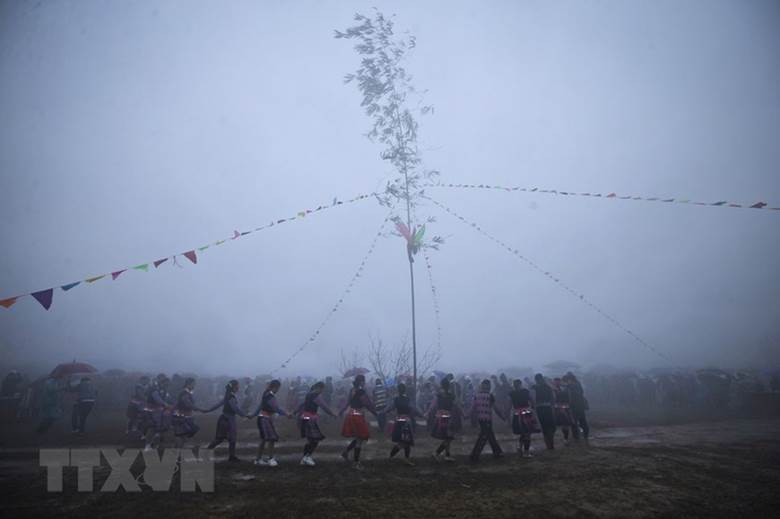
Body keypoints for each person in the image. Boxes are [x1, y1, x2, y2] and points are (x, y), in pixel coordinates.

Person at [339, 374, 377, 470]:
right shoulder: (361, 391)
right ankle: (356, 463)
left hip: (351, 415)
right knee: (360, 439)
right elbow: (367, 404)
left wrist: (342, 411)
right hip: (357, 417)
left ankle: (346, 452)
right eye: (364, 381)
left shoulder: (352, 390)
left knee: (358, 438)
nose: (365, 383)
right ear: (361, 382)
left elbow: (347, 403)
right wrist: (376, 413)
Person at [295, 381, 336, 466]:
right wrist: (332, 414)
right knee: (315, 439)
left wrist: (295, 412)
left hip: (305, 418)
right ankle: (307, 457)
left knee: (310, 440)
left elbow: (302, 405)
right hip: (310, 419)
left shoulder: (308, 394)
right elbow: (324, 406)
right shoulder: (316, 396)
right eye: (322, 389)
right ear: (319, 388)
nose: (322, 391)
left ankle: (304, 458)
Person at [205, 379, 247, 462]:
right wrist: (244, 415)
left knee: (220, 439)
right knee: (232, 439)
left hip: (223, 418)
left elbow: (218, 405)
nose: (239, 387)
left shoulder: (227, 395)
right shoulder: (231, 396)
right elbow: (235, 408)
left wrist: (208, 410)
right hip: (229, 420)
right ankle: (231, 457)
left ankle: (207, 452)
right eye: (238, 385)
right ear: (234, 387)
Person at [251, 379, 291, 467]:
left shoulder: (266, 394)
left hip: (263, 418)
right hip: (264, 419)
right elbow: (277, 408)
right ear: (275, 387)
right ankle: (270, 459)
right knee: (271, 439)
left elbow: (260, 406)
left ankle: (258, 459)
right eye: (278, 388)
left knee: (264, 439)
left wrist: (253, 415)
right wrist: (286, 414)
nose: (278, 390)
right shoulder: (270, 396)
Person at [383, 382, 424, 466]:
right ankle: (393, 457)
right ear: (405, 390)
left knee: (405, 442)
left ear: (398, 390)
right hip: (406, 423)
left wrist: (386, 413)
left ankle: (403, 458)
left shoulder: (396, 400)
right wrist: (421, 415)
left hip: (398, 422)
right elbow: (414, 409)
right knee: (404, 442)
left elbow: (388, 409)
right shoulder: (407, 400)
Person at [468, 379, 506, 462]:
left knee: (489, 435)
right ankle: (475, 455)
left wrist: (467, 415)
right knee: (484, 436)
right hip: (487, 419)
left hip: (481, 419)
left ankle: (497, 452)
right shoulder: (490, 396)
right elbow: (496, 408)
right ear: (489, 386)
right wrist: (502, 416)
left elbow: (473, 408)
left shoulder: (476, 396)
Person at [429, 377, 459, 462]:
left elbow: (433, 405)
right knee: (448, 438)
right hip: (447, 417)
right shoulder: (451, 395)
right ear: (448, 386)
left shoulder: (439, 395)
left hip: (439, 417)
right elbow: (456, 405)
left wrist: (427, 413)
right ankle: (436, 453)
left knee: (447, 437)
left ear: (441, 385)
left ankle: (447, 455)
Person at [172, 377, 206, 449]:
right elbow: (188, 404)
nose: (194, 386)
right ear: (188, 384)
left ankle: (177, 451)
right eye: (193, 384)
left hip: (184, 416)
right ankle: (177, 452)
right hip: (181, 416)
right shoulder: (185, 393)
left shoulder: (186, 393)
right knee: (180, 434)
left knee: (183, 434)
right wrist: (199, 409)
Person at [509, 379, 539, 457]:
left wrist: (506, 414)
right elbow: (531, 400)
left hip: (517, 414)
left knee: (524, 432)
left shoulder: (512, 393)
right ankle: (526, 452)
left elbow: (510, 404)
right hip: (526, 414)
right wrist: (533, 406)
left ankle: (520, 446)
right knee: (527, 433)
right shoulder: (525, 391)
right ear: (520, 384)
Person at [144, 374, 173, 451]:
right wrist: (166, 405)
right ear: (161, 383)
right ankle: (147, 446)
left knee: (160, 428)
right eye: (166, 384)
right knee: (152, 427)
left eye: (168, 385)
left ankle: (154, 444)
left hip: (158, 411)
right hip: (151, 410)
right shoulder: (154, 389)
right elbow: (158, 399)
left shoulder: (164, 390)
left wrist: (172, 404)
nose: (167, 386)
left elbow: (168, 399)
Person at [563, 372, 590, 441]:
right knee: (581, 421)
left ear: (570, 379)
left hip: (576, 406)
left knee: (575, 422)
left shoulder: (574, 385)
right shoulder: (577, 384)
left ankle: (577, 437)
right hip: (578, 405)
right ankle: (583, 435)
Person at [533, 373, 556, 450]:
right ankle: (550, 444)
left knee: (545, 427)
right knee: (551, 427)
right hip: (547, 408)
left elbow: (532, 399)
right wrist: (553, 408)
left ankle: (548, 445)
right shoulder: (547, 387)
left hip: (540, 409)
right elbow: (552, 398)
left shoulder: (535, 388)